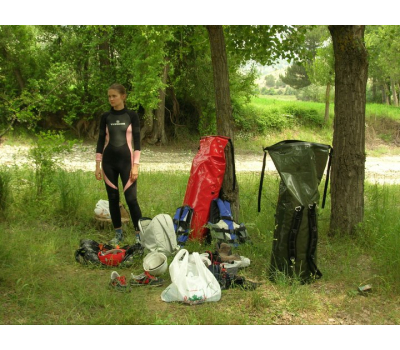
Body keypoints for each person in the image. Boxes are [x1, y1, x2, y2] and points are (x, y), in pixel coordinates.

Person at [95, 83, 142, 244]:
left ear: (123, 96)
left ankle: (139, 235)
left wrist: (136, 165)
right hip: (108, 163)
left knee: (131, 199)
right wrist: (97, 165)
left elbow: (137, 142)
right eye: (109, 96)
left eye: (114, 96)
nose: (111, 99)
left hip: (127, 163)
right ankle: (118, 234)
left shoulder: (131, 116)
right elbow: (101, 140)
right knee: (113, 199)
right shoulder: (105, 117)